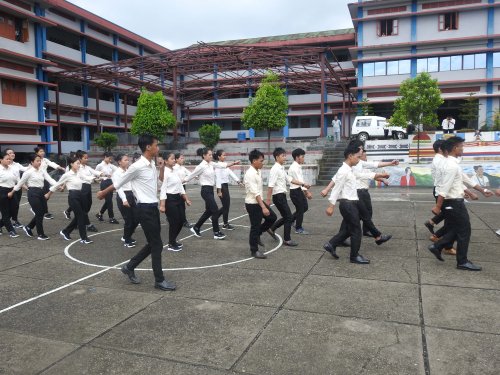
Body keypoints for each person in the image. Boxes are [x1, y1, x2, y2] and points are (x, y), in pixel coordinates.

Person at [97, 134, 176, 291]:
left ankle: (129, 267)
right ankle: (159, 280)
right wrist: (103, 193)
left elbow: (159, 182)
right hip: (144, 209)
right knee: (157, 244)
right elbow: (119, 182)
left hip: (152, 207)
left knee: (153, 243)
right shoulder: (137, 166)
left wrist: (161, 168)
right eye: (156, 145)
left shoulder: (151, 165)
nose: (158, 148)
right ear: (148, 147)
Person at [428, 136, 493, 271]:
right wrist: (438, 206)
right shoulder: (451, 165)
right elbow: (444, 187)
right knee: (465, 230)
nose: (462, 149)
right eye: (461, 146)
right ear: (454, 148)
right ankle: (462, 261)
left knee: (456, 228)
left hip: (454, 201)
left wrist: (482, 190)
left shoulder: (451, 163)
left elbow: (464, 179)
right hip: (453, 202)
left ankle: (438, 246)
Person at [323, 144, 390, 264]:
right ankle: (354, 256)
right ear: (350, 156)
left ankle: (331, 244)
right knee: (356, 231)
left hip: (351, 203)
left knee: (349, 229)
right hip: (347, 204)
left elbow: (362, 175)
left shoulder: (349, 169)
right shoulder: (343, 171)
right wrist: (331, 206)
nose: (358, 160)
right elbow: (336, 189)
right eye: (357, 157)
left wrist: (380, 175)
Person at [184, 147, 240, 240]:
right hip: (205, 190)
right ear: (204, 155)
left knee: (209, 211)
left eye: (211, 154)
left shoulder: (211, 164)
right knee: (214, 210)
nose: (211, 156)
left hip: (210, 190)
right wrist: (181, 181)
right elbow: (191, 175)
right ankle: (216, 232)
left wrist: (233, 163)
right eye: (209, 155)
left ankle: (196, 227)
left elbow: (222, 165)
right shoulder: (201, 166)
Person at [46, 155, 95, 244]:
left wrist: (98, 177)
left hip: (80, 195)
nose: (79, 165)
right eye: (77, 163)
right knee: (81, 216)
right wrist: (49, 193)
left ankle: (66, 231)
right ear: (72, 164)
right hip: (73, 196)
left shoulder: (79, 172)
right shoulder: (67, 175)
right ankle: (83, 238)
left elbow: (87, 178)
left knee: (81, 215)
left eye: (79, 163)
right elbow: (57, 184)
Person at [266, 147, 310, 247]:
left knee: (287, 217)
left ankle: (272, 228)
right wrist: (268, 200)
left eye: (285, 155)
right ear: (277, 157)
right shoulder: (275, 169)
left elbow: (290, 179)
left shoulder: (281, 168)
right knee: (289, 217)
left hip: (282, 195)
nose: (285, 158)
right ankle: (287, 239)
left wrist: (303, 184)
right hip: (278, 196)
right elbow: (270, 185)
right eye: (283, 156)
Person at [8, 153, 57, 240]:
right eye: (37, 161)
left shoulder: (42, 170)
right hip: (33, 193)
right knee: (39, 213)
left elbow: (49, 179)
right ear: (32, 162)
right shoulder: (28, 172)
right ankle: (40, 234)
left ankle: (29, 227)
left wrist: (58, 185)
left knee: (42, 213)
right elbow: (20, 183)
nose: (39, 162)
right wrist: (12, 192)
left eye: (40, 161)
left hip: (41, 192)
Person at [244, 149, 277, 259]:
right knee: (255, 226)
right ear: (254, 161)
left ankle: (259, 233)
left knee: (272, 217)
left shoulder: (258, 170)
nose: (263, 163)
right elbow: (255, 193)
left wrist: (264, 202)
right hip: (253, 204)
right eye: (261, 161)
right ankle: (254, 250)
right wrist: (263, 207)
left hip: (259, 201)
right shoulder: (250, 174)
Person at [159, 152, 192, 252]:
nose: (174, 160)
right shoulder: (165, 172)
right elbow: (163, 189)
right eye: (172, 159)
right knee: (174, 222)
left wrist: (186, 198)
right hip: (170, 199)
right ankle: (171, 243)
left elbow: (180, 186)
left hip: (178, 198)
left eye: (174, 159)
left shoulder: (174, 171)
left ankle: (173, 241)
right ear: (166, 161)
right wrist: (162, 205)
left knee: (181, 221)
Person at [113, 153, 139, 248]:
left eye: (128, 160)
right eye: (125, 160)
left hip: (131, 195)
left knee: (136, 218)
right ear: (119, 162)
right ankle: (127, 241)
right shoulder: (117, 173)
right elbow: (118, 188)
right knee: (128, 220)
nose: (127, 162)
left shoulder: (128, 171)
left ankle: (126, 236)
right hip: (123, 196)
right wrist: (124, 200)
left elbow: (133, 185)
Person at [214, 149, 243, 231]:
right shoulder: (218, 166)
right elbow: (218, 179)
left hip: (225, 186)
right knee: (226, 206)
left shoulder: (225, 165)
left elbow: (231, 173)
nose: (225, 156)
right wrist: (219, 191)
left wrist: (238, 181)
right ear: (219, 157)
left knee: (226, 206)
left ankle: (218, 219)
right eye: (223, 155)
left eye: (225, 155)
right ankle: (222, 222)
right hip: (221, 187)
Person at [34, 146, 65, 219]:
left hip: (45, 178)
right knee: (43, 196)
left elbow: (52, 163)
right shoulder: (34, 160)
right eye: (40, 151)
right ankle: (44, 212)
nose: (42, 153)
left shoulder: (45, 160)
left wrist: (60, 167)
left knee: (47, 195)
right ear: (36, 153)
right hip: (37, 180)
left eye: (43, 151)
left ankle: (40, 209)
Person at [288, 148, 312, 234]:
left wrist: (305, 191)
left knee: (304, 207)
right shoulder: (294, 168)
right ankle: (298, 228)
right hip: (295, 191)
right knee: (301, 209)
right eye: (302, 157)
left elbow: (300, 181)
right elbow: (300, 182)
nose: (303, 158)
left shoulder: (297, 166)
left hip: (298, 190)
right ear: (297, 157)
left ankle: (291, 220)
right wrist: (307, 192)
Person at [5, 148, 28, 229]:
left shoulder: (17, 164)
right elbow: (15, 178)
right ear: (6, 155)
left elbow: (26, 169)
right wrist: (22, 184)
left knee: (16, 205)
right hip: (8, 187)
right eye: (10, 153)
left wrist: (33, 164)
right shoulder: (4, 166)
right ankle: (5, 221)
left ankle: (15, 221)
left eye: (13, 152)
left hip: (17, 188)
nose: (12, 154)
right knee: (8, 207)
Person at [0, 151, 20, 237]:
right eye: (7, 159)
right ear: (1, 160)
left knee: (13, 211)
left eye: (9, 159)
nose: (9, 160)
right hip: (2, 191)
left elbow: (17, 179)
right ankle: (11, 231)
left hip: (12, 190)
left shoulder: (12, 168)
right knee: (5, 213)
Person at [96, 152, 119, 224]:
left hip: (110, 183)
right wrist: (100, 178)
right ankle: (111, 217)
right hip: (104, 183)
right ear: (105, 157)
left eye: (111, 159)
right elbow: (96, 173)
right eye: (109, 158)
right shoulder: (99, 166)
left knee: (108, 201)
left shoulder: (111, 165)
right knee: (109, 201)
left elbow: (118, 170)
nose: (110, 160)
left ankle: (99, 214)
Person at [173, 153, 193, 229]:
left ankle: (183, 221)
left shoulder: (183, 168)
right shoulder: (174, 168)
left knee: (181, 205)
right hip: (176, 188)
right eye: (181, 158)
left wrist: (197, 175)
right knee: (178, 205)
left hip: (182, 186)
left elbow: (191, 174)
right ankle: (183, 221)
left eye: (183, 158)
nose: (183, 159)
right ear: (176, 159)